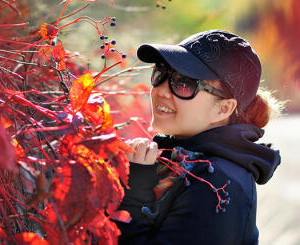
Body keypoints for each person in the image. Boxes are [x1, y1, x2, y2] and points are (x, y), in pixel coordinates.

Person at [116, 30, 283, 245]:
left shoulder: (217, 181)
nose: (161, 91)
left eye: (184, 83)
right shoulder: (186, 160)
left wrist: (135, 191)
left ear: (224, 108)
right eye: (161, 73)